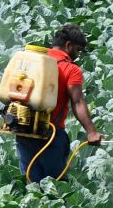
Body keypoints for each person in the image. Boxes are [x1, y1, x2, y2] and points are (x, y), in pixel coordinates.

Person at [15, 24, 103, 181]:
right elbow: (77, 102)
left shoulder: (31, 61)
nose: (77, 56)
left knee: (31, 184)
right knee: (56, 186)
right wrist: (91, 132)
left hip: (23, 130)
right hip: (50, 134)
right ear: (68, 45)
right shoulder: (70, 68)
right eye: (77, 50)